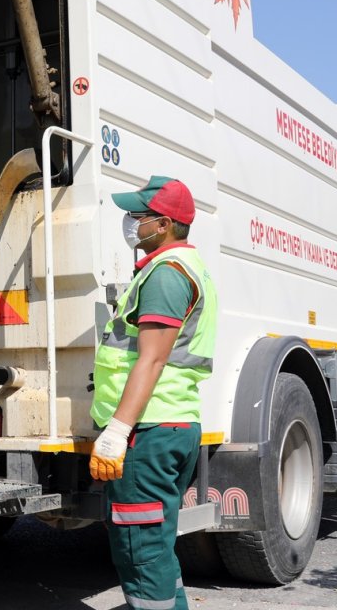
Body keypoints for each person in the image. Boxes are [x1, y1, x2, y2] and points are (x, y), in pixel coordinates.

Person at [89, 176, 217, 610]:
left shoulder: (167, 275)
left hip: (149, 431)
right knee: (153, 544)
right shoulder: (175, 268)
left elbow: (152, 359)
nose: (130, 223)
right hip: (164, 426)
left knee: (140, 549)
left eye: (137, 216)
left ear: (162, 224)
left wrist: (117, 431)